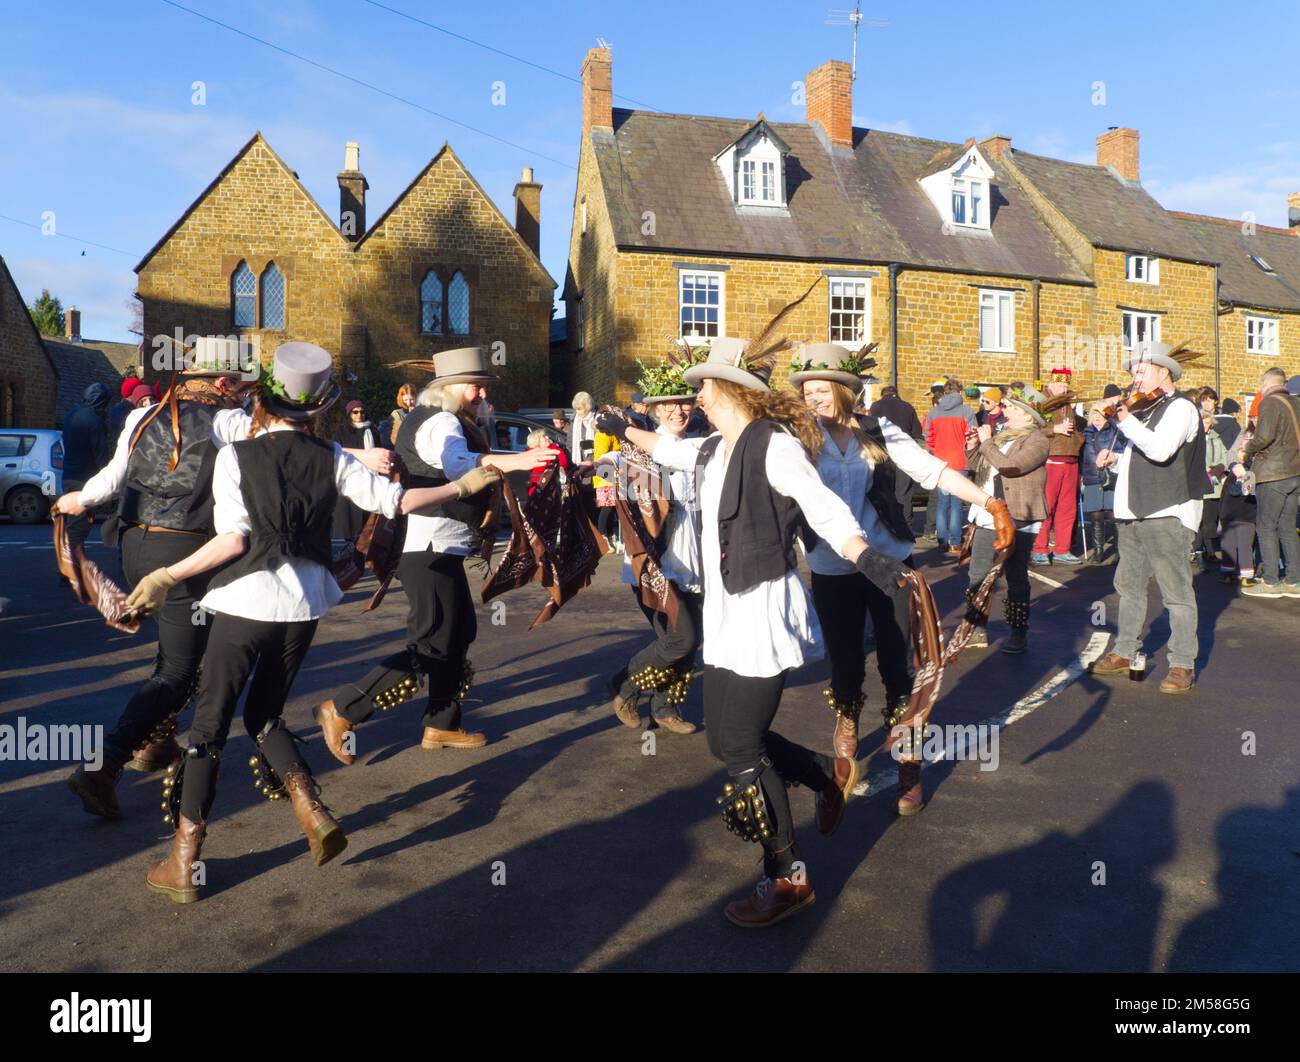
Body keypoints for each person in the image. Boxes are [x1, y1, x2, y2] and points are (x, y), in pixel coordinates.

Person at [124, 343, 504, 903]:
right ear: (318, 407)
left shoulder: (236, 456)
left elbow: (233, 541)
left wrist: (163, 578)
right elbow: (397, 503)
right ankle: (313, 811)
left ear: (265, 401)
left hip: (244, 603)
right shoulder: (334, 457)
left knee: (208, 728)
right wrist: (463, 485)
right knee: (265, 715)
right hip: (303, 607)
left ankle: (184, 860)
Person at [601, 333, 898, 929]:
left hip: (762, 609)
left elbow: (820, 506)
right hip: (728, 612)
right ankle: (821, 774)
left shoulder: (774, 444)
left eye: (704, 387)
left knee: (738, 745)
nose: (698, 397)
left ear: (732, 389)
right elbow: (669, 449)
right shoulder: (713, 447)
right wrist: (621, 426)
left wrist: (866, 557)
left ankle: (788, 876)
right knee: (729, 739)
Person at [314, 348, 555, 762]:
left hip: (437, 545)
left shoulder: (432, 417)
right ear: (447, 387)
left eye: (482, 386)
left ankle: (441, 725)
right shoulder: (442, 421)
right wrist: (520, 461)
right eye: (473, 385)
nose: (480, 393)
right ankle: (344, 708)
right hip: (427, 545)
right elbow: (455, 462)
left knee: (458, 631)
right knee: (432, 641)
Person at [790, 344, 1012, 788]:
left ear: (843, 390)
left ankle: (908, 758)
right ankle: (848, 717)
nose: (812, 398)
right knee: (847, 661)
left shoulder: (877, 429)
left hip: (889, 560)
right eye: (806, 391)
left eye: (820, 389)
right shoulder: (798, 437)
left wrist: (990, 502)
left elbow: (934, 472)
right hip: (833, 565)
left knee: (897, 661)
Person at [1089, 341, 1205, 694]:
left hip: (1168, 511)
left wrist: (1123, 419)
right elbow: (1141, 458)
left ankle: (1182, 663)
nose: (1134, 378)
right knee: (1129, 588)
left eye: (1140, 371)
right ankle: (1125, 651)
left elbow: (1161, 449)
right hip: (1132, 511)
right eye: (1132, 373)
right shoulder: (1144, 410)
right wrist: (1117, 460)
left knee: (1176, 594)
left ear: (1163, 372)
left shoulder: (1182, 408)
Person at [601, 361, 704, 736]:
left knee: (687, 642)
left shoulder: (700, 445)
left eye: (686, 403)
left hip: (694, 558)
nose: (679, 410)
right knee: (680, 637)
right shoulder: (635, 451)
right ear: (656, 409)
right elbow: (606, 470)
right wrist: (602, 473)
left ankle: (665, 707)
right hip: (653, 563)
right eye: (670, 405)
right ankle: (625, 687)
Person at [964, 387, 1053, 655]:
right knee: (977, 574)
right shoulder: (1003, 435)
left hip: (1019, 514)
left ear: (1028, 416)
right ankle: (975, 627)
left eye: (1013, 408)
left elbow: (1010, 467)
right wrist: (973, 446)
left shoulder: (1038, 441)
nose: (1007, 410)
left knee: (1015, 576)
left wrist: (987, 442)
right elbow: (979, 466)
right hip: (988, 512)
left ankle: (1018, 632)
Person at [1237, 367, 1300, 597]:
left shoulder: (1269, 403)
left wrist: (1247, 446)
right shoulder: (1296, 403)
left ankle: (1271, 582)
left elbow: (1264, 437)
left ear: (1266, 384)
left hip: (1273, 474)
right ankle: (1294, 581)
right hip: (1294, 474)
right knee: (1287, 527)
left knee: (1266, 526)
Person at [1031, 367, 1086, 565]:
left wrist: (1078, 439)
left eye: (1066, 384)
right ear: (1051, 383)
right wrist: (1055, 428)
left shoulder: (1067, 402)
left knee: (1067, 508)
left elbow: (1077, 426)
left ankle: (1062, 549)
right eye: (1061, 384)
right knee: (1047, 507)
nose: (1064, 388)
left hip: (1071, 459)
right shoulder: (1040, 401)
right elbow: (1032, 429)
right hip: (1052, 460)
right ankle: (1040, 548)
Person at [924, 378, 977, 554]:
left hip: (940, 463)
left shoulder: (934, 412)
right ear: (960, 392)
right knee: (956, 504)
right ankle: (955, 542)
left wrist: (935, 452)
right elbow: (972, 436)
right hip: (960, 462)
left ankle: (942, 541)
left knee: (941, 503)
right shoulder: (966, 411)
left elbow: (928, 438)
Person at [61, 382, 113, 554]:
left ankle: (72, 567)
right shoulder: (95, 420)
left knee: (73, 523)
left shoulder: (70, 414)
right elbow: (100, 454)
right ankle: (70, 572)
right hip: (85, 479)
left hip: (69, 475)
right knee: (77, 528)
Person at [1081, 385, 1127, 564]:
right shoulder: (1086, 433)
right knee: (1095, 515)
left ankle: (1119, 550)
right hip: (1092, 477)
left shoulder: (1115, 431)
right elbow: (1081, 456)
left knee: (1112, 514)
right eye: (1094, 414)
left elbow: (1123, 447)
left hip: (1110, 477)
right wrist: (1080, 474)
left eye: (1101, 415)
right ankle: (1099, 550)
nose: (1097, 418)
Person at [333, 400, 379, 542]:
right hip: (350, 475)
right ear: (349, 414)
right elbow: (338, 450)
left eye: (362, 411)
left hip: (370, 475)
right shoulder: (342, 430)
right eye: (355, 412)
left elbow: (378, 450)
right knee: (349, 517)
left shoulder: (372, 429)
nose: (359, 415)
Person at [1193, 407, 1230, 573]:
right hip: (1201, 483)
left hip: (1216, 484)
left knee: (1211, 521)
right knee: (1200, 522)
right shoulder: (1194, 438)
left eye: (1208, 423)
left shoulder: (1217, 438)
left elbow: (1225, 456)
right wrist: (1209, 470)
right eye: (1203, 423)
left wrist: (1221, 467)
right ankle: (1199, 552)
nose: (1206, 426)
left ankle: (1209, 550)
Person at [525, 427, 569, 495]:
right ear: (537, 442)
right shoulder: (547, 453)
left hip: (536, 489)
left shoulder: (530, 453)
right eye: (544, 437)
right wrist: (555, 446)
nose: (547, 437)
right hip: (546, 488)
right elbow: (564, 463)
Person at [570, 391, 597, 465]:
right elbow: (570, 442)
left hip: (596, 460)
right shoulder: (574, 420)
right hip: (580, 460)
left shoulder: (598, 418)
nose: (577, 412)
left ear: (588, 407)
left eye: (579, 409)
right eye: (576, 409)